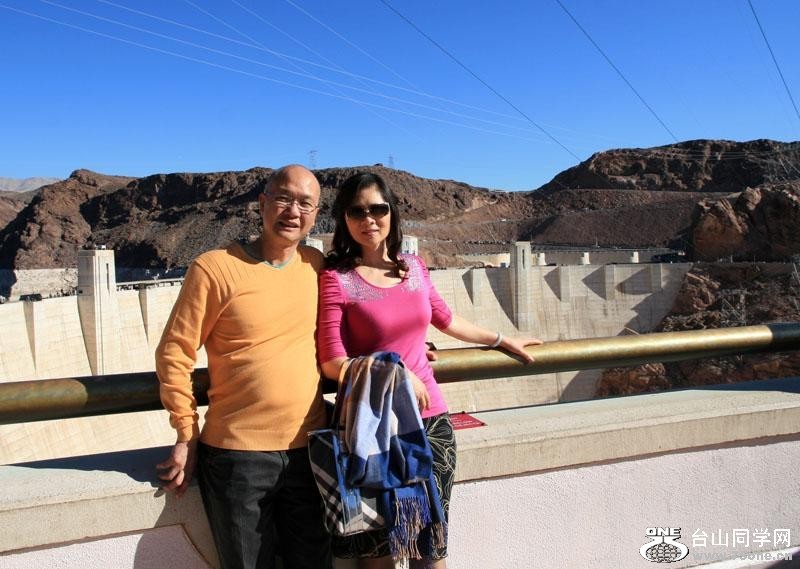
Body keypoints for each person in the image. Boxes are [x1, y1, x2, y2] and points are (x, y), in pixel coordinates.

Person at [317, 172, 543, 569]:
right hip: (373, 433)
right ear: (343, 219)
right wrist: (393, 371)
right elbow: (332, 362)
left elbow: (446, 319)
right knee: (379, 555)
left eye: (378, 209)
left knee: (428, 549)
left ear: (392, 213)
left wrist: (501, 339)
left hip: (429, 425)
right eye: (357, 211)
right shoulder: (338, 280)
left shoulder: (414, 268)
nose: (369, 219)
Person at [155, 164, 332, 569]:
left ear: (315, 214)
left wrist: (408, 352)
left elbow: (347, 329)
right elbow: (175, 352)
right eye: (283, 199)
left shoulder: (315, 266)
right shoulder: (214, 268)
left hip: (309, 451)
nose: (293, 211)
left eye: (305, 203)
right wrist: (186, 433)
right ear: (262, 203)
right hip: (238, 459)